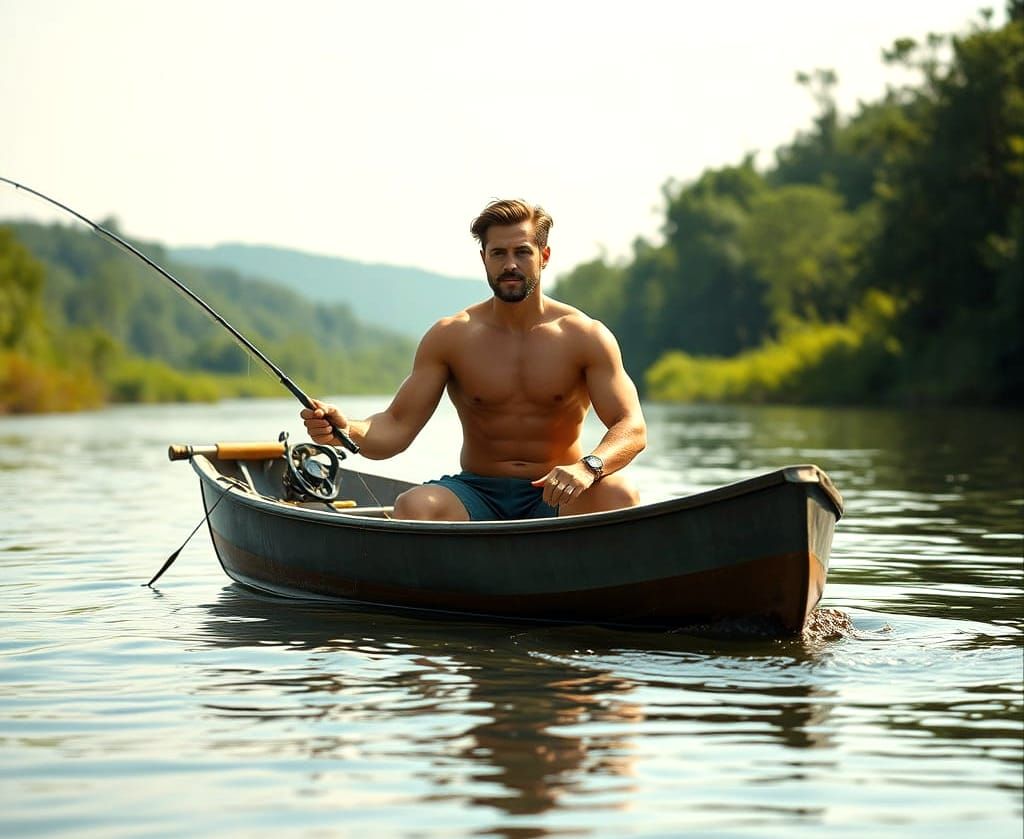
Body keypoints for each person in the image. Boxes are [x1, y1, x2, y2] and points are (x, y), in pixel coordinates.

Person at [301, 198, 647, 521]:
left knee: (620, 494)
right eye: (498, 253)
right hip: (477, 493)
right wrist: (346, 429)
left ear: (544, 255)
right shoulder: (451, 336)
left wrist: (589, 467)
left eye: (522, 252)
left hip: (561, 491)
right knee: (414, 505)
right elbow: (395, 426)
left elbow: (631, 427)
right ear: (484, 258)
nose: (510, 264)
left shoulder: (585, 336)